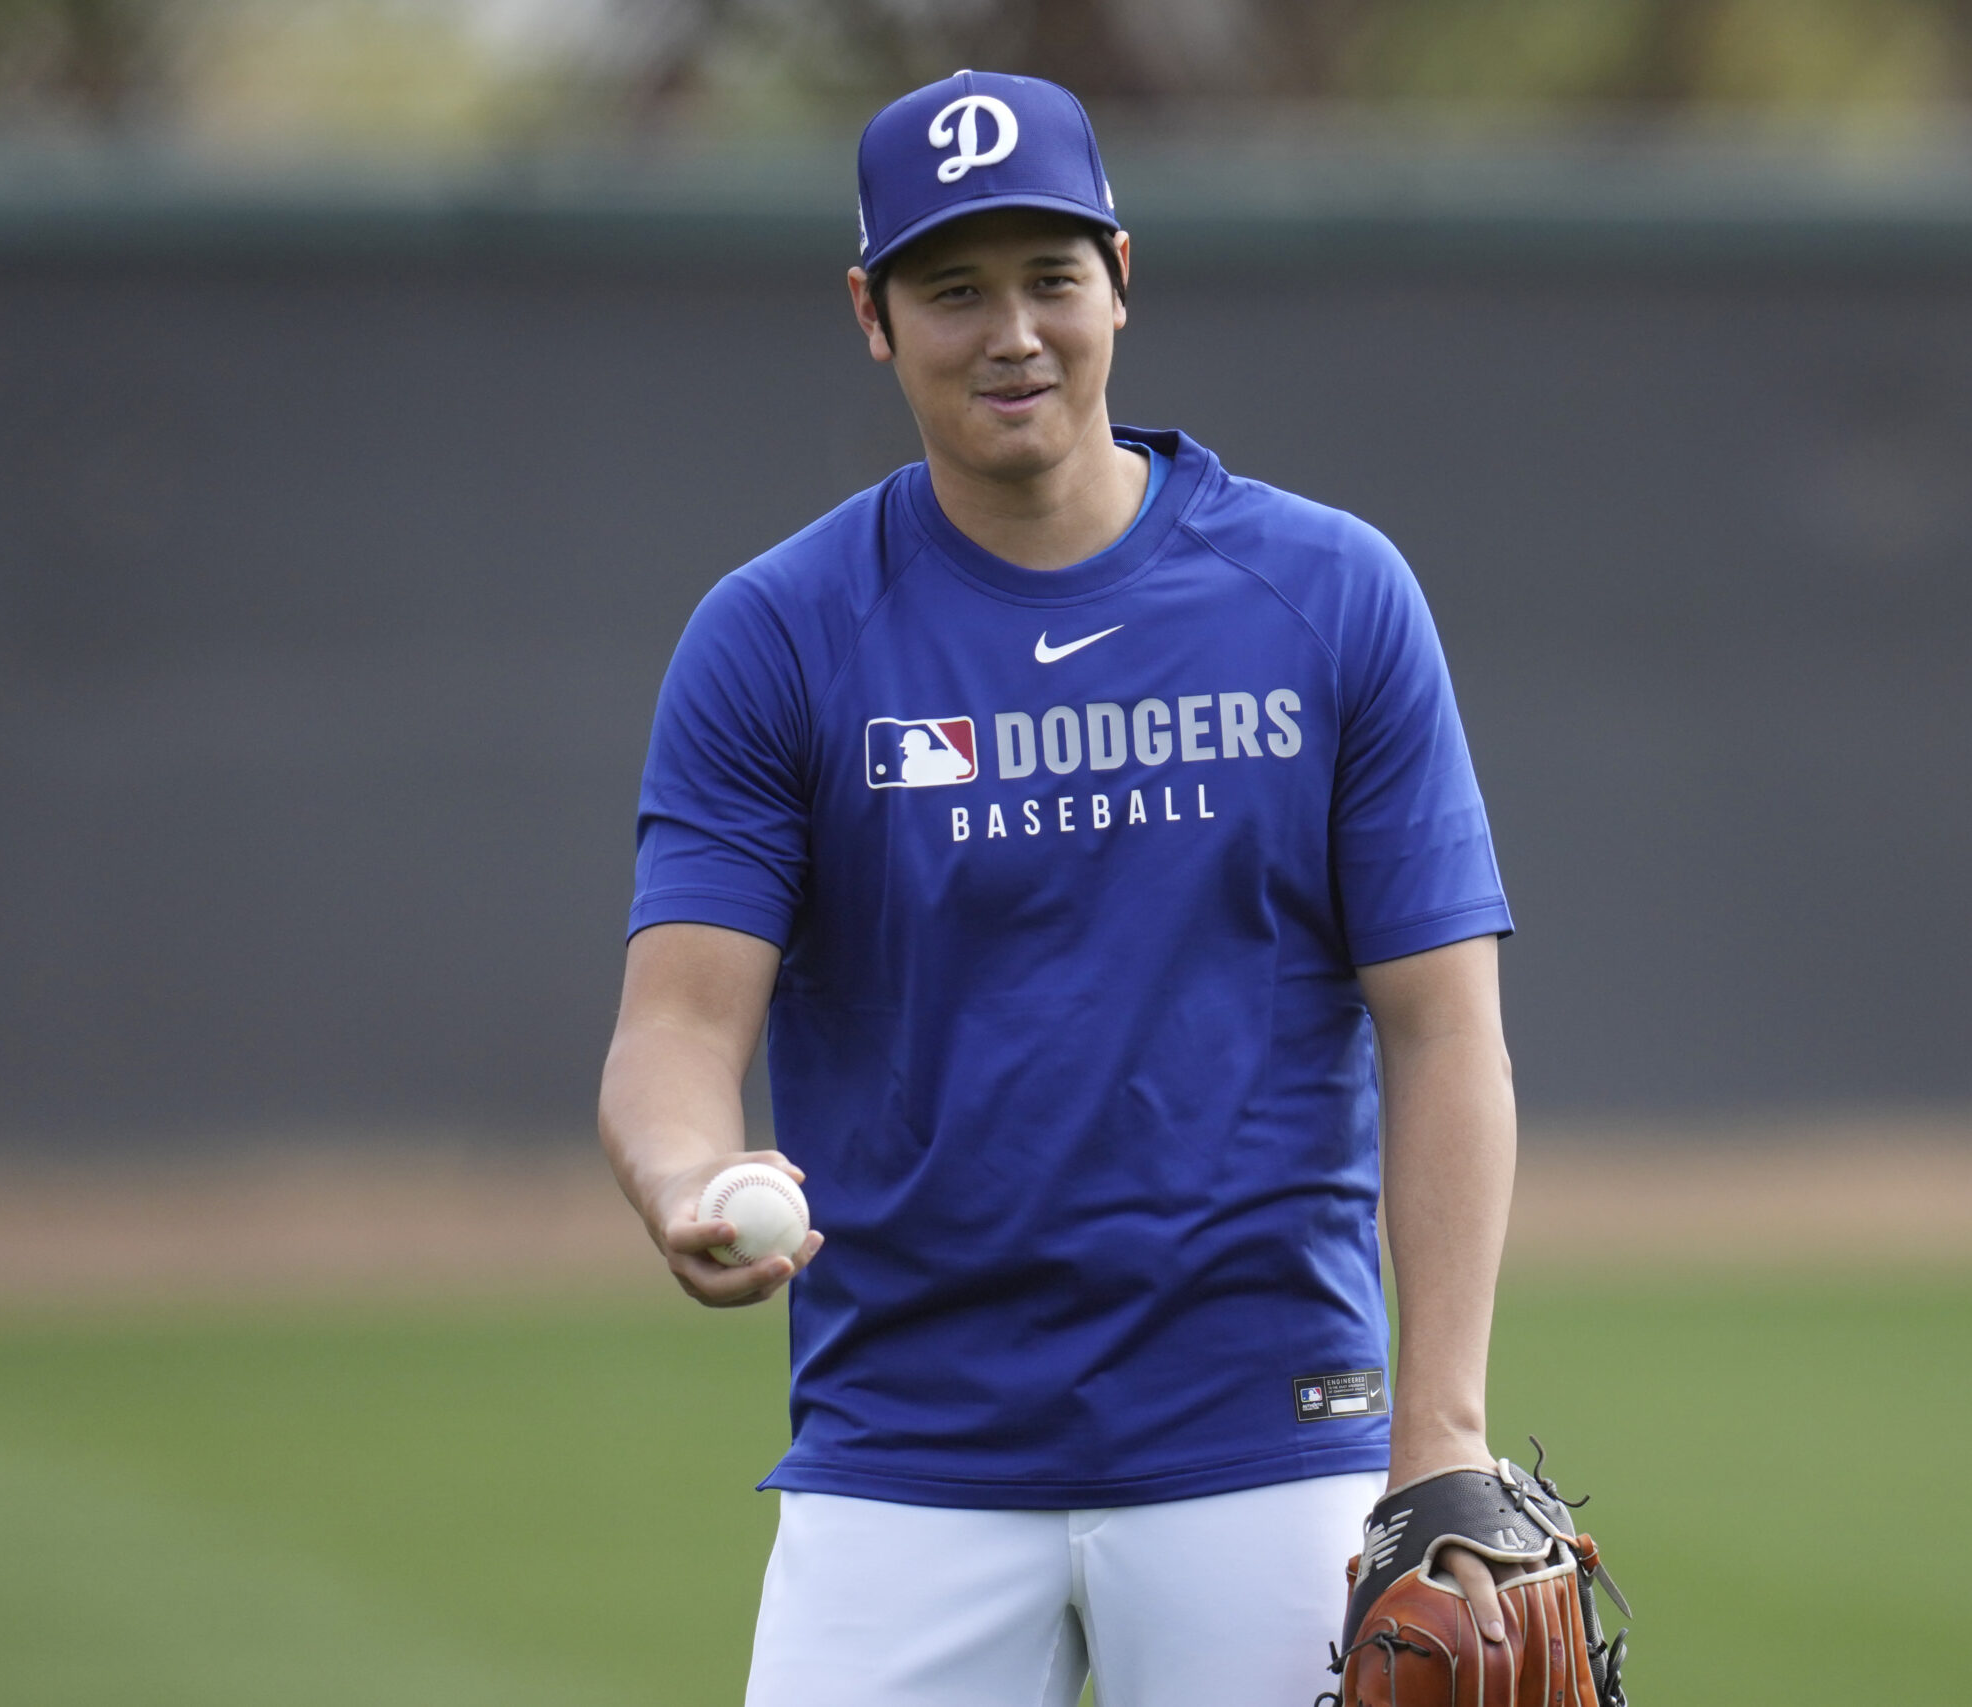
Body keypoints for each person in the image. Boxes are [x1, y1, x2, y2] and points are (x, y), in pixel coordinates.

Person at [599, 69, 1520, 1707]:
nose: (1010, 331)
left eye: (1048, 278)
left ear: (1119, 278)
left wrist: (1439, 1439)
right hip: (908, 1447)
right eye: (952, 289)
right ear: (872, 317)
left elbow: (1445, 1032)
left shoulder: (1328, 597)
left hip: (1266, 1434)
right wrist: (684, 1174)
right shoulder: (779, 634)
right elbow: (677, 1023)